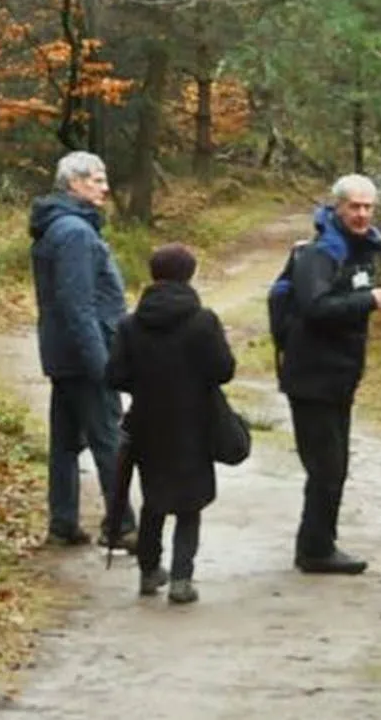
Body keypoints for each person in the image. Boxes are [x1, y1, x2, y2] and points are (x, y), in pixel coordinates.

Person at [107, 243, 236, 606]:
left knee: (154, 501)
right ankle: (182, 578)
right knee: (189, 504)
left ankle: (149, 572)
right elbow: (224, 370)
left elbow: (114, 376)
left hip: (147, 423)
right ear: (189, 275)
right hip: (195, 423)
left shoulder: (130, 325)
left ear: (153, 275)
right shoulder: (203, 321)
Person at [276, 173, 381, 574]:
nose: (361, 214)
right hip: (311, 378)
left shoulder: (358, 250)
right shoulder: (321, 253)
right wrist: (367, 301)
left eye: (367, 207)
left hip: (339, 377)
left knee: (333, 467)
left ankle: (318, 543)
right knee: (327, 467)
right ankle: (315, 549)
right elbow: (315, 307)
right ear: (337, 207)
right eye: (354, 207)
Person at [27, 151, 135, 549]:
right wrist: (103, 365)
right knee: (110, 439)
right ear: (73, 184)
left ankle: (63, 523)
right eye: (96, 180)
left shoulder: (62, 226)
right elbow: (79, 305)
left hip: (65, 356)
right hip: (85, 357)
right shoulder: (74, 232)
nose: (105, 187)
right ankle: (122, 526)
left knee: (66, 443)